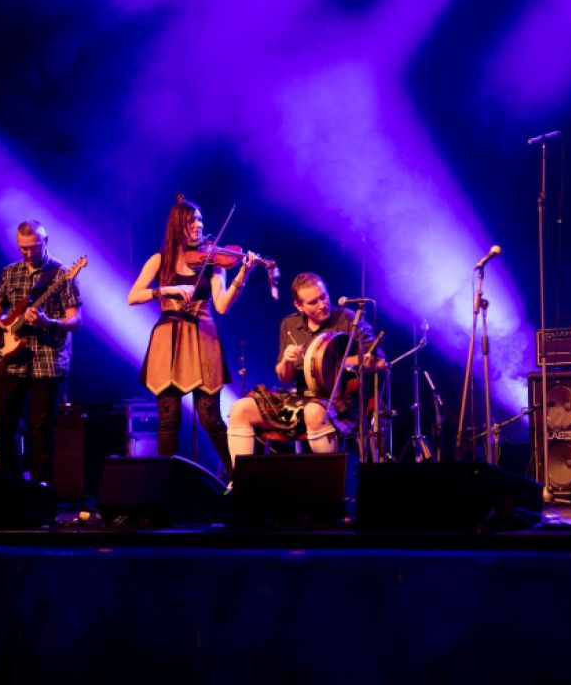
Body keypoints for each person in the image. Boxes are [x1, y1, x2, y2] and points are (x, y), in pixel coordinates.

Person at [127, 195, 259, 476]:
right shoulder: (160, 260)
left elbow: (221, 305)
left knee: (211, 418)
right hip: (168, 341)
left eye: (200, 220)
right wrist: (167, 290)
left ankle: (239, 478)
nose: (199, 225)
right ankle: (166, 486)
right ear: (178, 226)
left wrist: (243, 275)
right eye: (192, 221)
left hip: (202, 338)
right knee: (168, 419)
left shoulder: (213, 262)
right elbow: (133, 296)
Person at [227, 272, 384, 461]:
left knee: (313, 411)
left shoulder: (349, 320)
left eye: (323, 297)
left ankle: (330, 478)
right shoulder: (289, 324)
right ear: (299, 305)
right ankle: (241, 477)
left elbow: (379, 361)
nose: (322, 305)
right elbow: (284, 378)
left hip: (339, 402)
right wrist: (286, 361)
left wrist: (335, 363)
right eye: (313, 302)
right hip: (300, 400)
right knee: (240, 409)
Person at [0, 220, 83, 484]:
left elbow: (75, 321)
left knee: (40, 432)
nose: (28, 253)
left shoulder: (62, 274)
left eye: (33, 247)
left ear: (45, 241)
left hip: (47, 360)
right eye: (23, 248)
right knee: (4, 427)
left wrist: (47, 322)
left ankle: (41, 496)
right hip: (12, 360)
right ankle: (12, 491)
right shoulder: (9, 273)